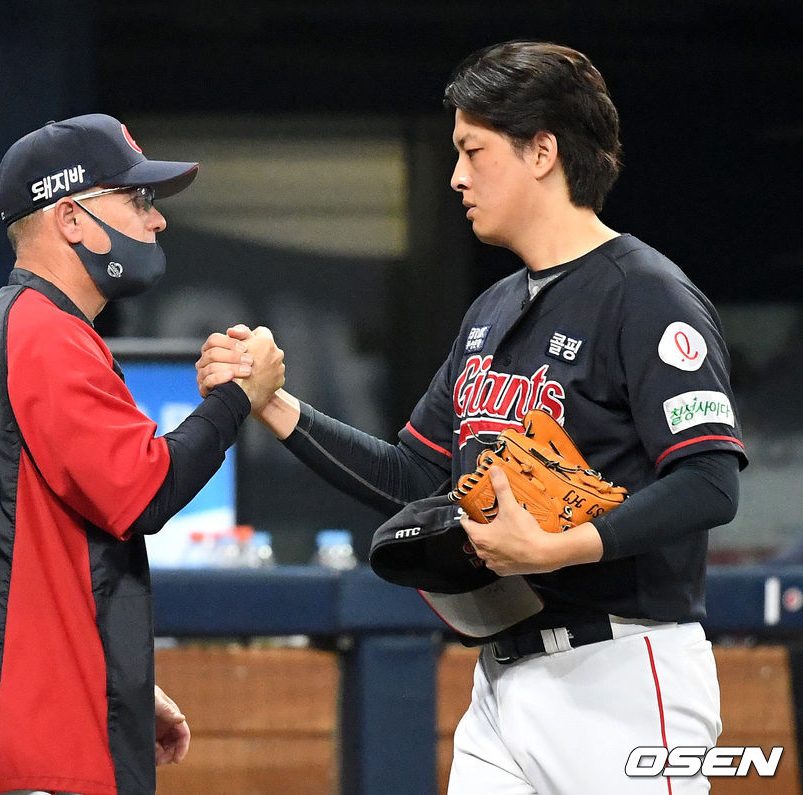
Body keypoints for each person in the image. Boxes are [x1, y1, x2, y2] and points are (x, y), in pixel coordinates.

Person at [197, 41, 747, 792]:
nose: (456, 175)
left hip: (625, 673)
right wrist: (276, 405)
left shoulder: (647, 295)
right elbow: (416, 474)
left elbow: (711, 481)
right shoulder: (490, 313)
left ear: (542, 151)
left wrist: (563, 546)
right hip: (502, 679)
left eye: (472, 149)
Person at [0, 114, 284, 794]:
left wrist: (113, 687)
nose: (155, 221)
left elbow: (39, 555)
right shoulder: (43, 333)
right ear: (71, 217)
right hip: (28, 750)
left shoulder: (12, 330)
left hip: (6, 735)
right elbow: (143, 490)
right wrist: (235, 401)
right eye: (136, 199)